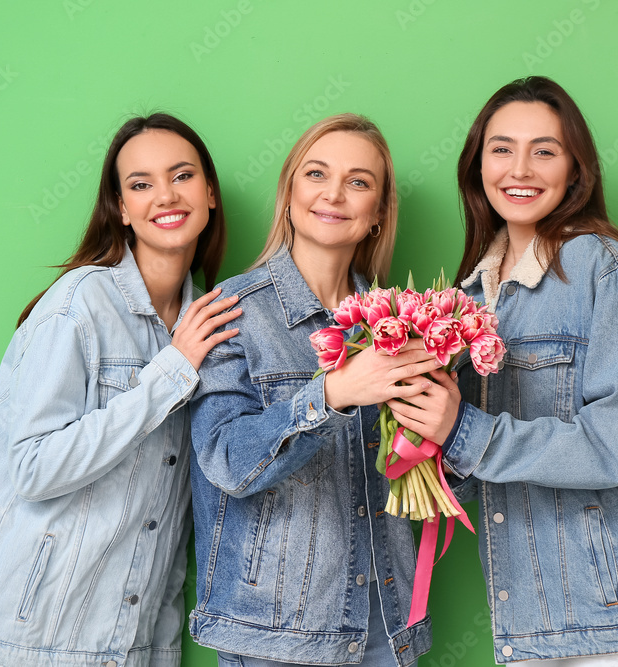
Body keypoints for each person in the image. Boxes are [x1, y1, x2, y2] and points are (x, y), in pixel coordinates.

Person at [387, 77, 618, 665]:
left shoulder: (602, 268)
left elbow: (617, 446)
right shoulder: (467, 297)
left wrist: (461, 432)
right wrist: (420, 435)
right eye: (502, 148)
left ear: (575, 169)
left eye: (545, 150)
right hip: (529, 615)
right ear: (477, 165)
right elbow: (477, 463)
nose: (520, 169)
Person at [0, 113, 241, 667]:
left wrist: (159, 653)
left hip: (114, 651)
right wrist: (170, 372)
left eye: (182, 175)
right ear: (121, 208)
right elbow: (34, 467)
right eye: (140, 184)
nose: (165, 195)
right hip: (6, 645)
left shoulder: (206, 326)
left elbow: (167, 518)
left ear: (209, 193)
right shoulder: (80, 305)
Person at [188, 113, 445, 667]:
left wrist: (446, 423)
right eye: (316, 174)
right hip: (275, 635)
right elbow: (225, 462)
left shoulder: (405, 322)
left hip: (389, 625)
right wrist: (331, 393)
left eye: (359, 182)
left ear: (377, 214)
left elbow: (448, 489)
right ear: (288, 195)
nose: (334, 194)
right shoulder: (230, 313)